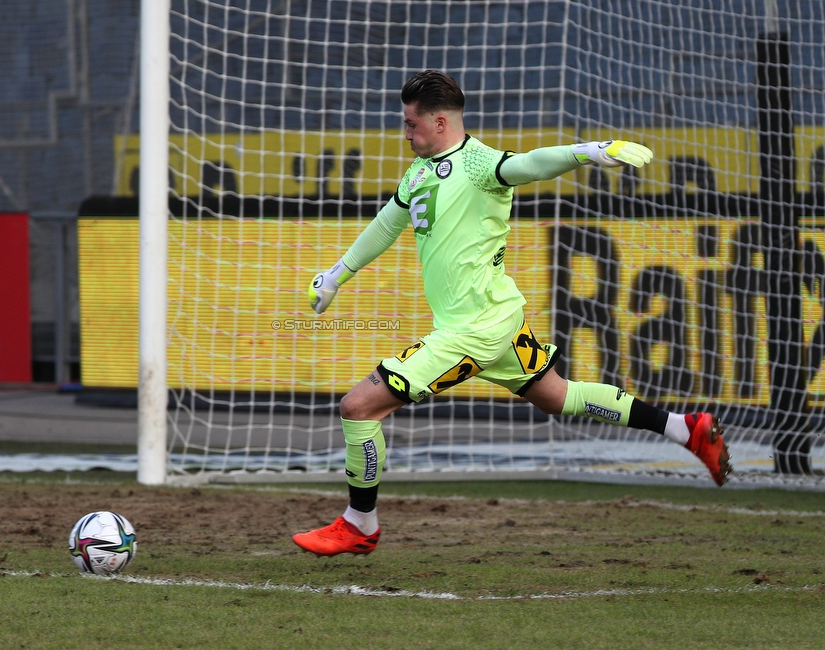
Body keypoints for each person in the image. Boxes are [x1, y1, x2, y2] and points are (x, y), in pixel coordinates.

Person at [292, 70, 732, 558]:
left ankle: (360, 524)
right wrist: (335, 275)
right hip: (497, 320)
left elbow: (532, 164)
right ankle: (685, 428)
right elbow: (386, 225)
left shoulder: (481, 163)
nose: (406, 132)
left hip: (471, 332)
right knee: (559, 397)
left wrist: (588, 151)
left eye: (411, 123)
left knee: (358, 407)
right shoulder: (417, 174)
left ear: (439, 122)